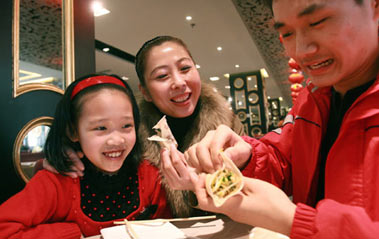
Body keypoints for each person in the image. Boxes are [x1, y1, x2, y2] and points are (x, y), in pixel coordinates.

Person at [171, 0, 379, 238]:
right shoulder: (313, 98)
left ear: (373, 5)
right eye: (287, 33)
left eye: (318, 22)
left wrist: (294, 221)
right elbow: (285, 162)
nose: (300, 50)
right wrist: (246, 156)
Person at [44, 36, 245, 217]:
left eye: (185, 68)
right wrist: (61, 158)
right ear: (145, 92)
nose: (178, 82)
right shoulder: (130, 135)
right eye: (161, 76)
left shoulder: (228, 125)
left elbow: (254, 190)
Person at [0, 75, 170, 238]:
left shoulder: (149, 175)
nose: (117, 139)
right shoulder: (55, 182)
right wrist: (70, 234)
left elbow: (167, 225)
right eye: (101, 128)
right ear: (73, 131)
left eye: (126, 125)